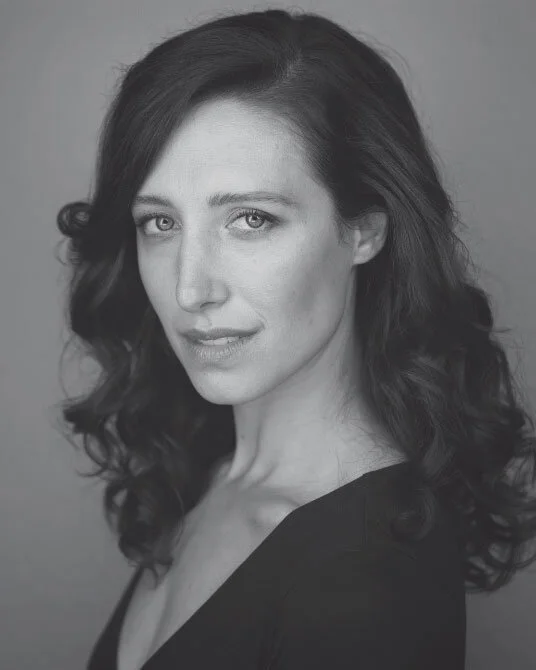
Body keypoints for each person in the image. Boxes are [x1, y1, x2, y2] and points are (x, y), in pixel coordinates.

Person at [55, 8, 536, 670]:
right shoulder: (212, 473)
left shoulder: (367, 583)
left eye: (251, 219)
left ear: (363, 230)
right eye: (160, 224)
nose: (190, 289)